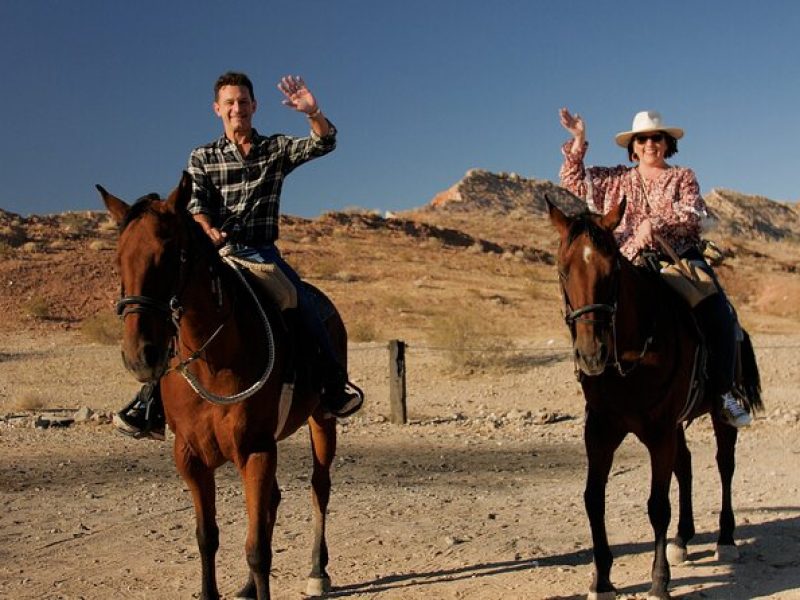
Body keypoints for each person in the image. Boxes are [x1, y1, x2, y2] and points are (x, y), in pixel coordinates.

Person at [113, 72, 363, 439]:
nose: (237, 108)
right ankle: (150, 398)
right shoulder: (203, 156)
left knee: (298, 300)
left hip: (261, 255)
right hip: (216, 253)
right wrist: (206, 226)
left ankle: (331, 384)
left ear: (254, 107)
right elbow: (196, 204)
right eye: (229, 103)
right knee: (176, 306)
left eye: (243, 102)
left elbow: (323, 143)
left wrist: (313, 112)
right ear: (218, 109)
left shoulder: (274, 149)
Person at [558, 108, 751, 428]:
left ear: (666, 144)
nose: (650, 143)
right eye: (642, 138)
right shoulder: (615, 178)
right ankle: (598, 393)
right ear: (632, 147)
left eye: (656, 138)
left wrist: (654, 224)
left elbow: (692, 212)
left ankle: (725, 394)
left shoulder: (683, 177)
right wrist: (578, 138)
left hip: (677, 259)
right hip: (628, 260)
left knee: (717, 311)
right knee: (590, 306)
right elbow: (573, 181)